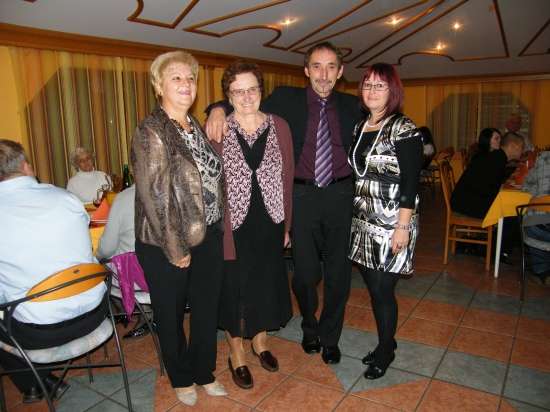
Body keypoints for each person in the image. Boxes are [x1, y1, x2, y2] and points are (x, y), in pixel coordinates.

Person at [206, 42, 362, 364]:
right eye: (316, 66)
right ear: (306, 70)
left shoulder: (354, 106)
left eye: (331, 67)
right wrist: (216, 109)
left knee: (338, 275)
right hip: (302, 197)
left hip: (340, 196)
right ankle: (309, 326)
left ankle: (329, 337)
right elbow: (242, 97)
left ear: (340, 72)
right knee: (304, 275)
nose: (323, 74)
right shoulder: (286, 99)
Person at [131, 50, 226, 407]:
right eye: (176, 78)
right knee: (170, 315)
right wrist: (175, 248)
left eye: (190, 78)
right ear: (159, 85)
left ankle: (204, 371)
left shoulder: (193, 125)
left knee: (205, 309)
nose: (186, 84)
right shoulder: (152, 130)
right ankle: (181, 376)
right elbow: (156, 195)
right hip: (166, 242)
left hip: (208, 234)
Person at [0, 139, 107, 403]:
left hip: (40, 331)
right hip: (95, 312)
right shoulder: (65, 198)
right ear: (26, 166)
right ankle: (39, 381)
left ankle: (35, 381)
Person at [213, 61, 293, 389]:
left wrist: (287, 226)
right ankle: (236, 354)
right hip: (233, 224)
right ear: (228, 96)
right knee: (234, 288)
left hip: (270, 219)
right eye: (238, 91)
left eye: (252, 89)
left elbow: (287, 177)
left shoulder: (280, 126)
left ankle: (260, 343)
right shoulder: (218, 128)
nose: (246, 96)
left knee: (264, 282)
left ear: (261, 91)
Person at [348, 64, 423, 380]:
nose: (372, 91)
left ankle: (385, 350)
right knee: (373, 288)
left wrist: (402, 227)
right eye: (368, 85)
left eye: (380, 85)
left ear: (393, 91)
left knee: (382, 291)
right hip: (363, 220)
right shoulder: (360, 126)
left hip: (393, 223)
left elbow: (411, 181)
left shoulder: (403, 127)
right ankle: (386, 342)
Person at [96, 184, 149, 339]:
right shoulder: (175, 190)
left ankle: (126, 310)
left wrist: (95, 258)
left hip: (137, 277)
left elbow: (107, 248)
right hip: (169, 273)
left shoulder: (124, 198)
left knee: (101, 263)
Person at [451, 132, 524, 219]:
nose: (522, 151)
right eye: (521, 147)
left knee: (511, 204)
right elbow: (493, 189)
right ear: (512, 146)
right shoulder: (498, 159)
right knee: (514, 208)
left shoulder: (497, 156)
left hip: (462, 201)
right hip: (466, 205)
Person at [522, 151, 550, 283]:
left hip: (540, 227)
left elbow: (526, 184)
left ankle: (542, 271)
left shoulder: (544, 158)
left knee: (534, 221)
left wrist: (536, 193)